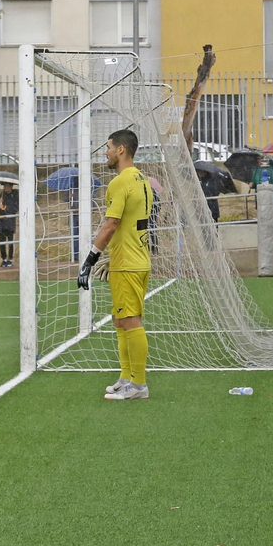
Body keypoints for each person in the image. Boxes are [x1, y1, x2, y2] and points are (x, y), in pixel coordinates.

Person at [80, 128, 155, 401]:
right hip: (139, 258)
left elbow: (111, 224)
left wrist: (90, 259)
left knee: (131, 321)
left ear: (121, 149)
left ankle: (139, 385)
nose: (106, 152)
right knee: (120, 320)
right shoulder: (142, 178)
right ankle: (126, 378)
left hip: (126, 262)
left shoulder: (120, 182)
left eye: (109, 147)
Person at [0, 182, 18, 268]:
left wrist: (6, 208)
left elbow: (16, 208)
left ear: (11, 186)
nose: (6, 188)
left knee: (10, 241)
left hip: (10, 221)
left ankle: (10, 259)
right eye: (4, 186)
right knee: (2, 241)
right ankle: (3, 259)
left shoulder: (15, 195)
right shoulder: (1, 195)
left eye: (7, 186)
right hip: (1, 221)